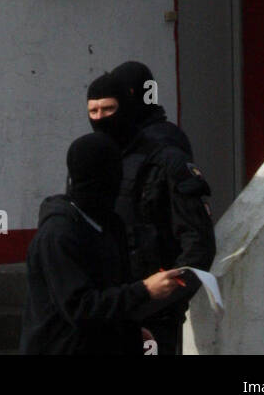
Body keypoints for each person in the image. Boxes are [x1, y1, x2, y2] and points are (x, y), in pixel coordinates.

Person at [88, 66, 216, 356]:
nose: (99, 119)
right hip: (107, 306)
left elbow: (198, 244)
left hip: (154, 310)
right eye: (93, 111)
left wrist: (166, 300)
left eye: (108, 109)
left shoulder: (165, 156)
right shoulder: (93, 157)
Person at [20, 133, 182, 355]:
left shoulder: (110, 224)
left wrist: (129, 332)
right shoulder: (58, 234)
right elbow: (81, 308)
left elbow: (111, 289)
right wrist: (145, 290)